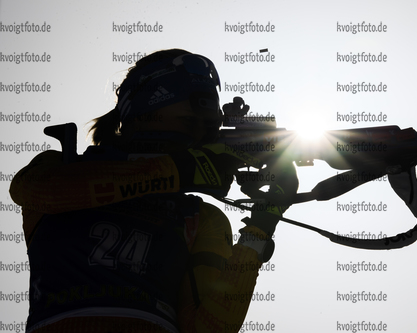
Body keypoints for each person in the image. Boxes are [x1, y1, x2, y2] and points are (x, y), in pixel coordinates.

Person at [10, 49, 298, 333]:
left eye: (204, 127)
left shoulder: (202, 218)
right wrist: (181, 169)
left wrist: (263, 224)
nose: (198, 133)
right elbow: (38, 191)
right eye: (190, 122)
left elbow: (208, 329)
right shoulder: (59, 168)